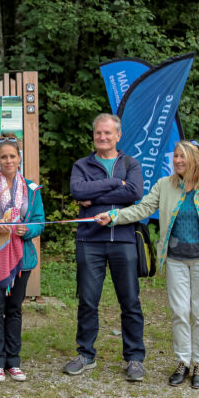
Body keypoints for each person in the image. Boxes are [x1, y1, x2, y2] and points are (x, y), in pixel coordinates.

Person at [96, 140, 199, 389]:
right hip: (175, 260)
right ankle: (183, 361)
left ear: (197, 159)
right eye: (176, 157)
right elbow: (143, 209)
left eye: (183, 157)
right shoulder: (165, 185)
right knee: (180, 312)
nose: (178, 161)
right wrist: (114, 217)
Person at [63, 113, 146, 382]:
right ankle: (85, 354)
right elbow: (78, 191)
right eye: (99, 133)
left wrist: (94, 194)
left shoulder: (131, 163)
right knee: (88, 301)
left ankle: (134, 358)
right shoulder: (82, 164)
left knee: (130, 301)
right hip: (90, 240)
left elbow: (134, 193)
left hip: (123, 239)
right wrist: (114, 183)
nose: (103, 137)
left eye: (108, 133)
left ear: (118, 136)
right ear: (94, 135)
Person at [0, 134, 45, 382]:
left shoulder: (32, 189)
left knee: (14, 309)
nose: (8, 160)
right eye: (3, 156)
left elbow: (39, 221)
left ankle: (13, 360)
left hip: (21, 258)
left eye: (12, 156)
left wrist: (28, 230)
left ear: (19, 158)